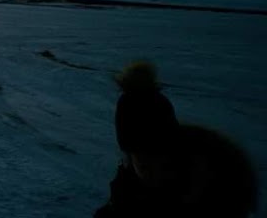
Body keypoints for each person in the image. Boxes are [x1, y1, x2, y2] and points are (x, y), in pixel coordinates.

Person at [94, 60, 258, 217]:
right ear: (130, 159)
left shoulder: (211, 196)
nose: (156, 173)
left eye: (163, 161)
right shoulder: (126, 192)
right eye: (145, 167)